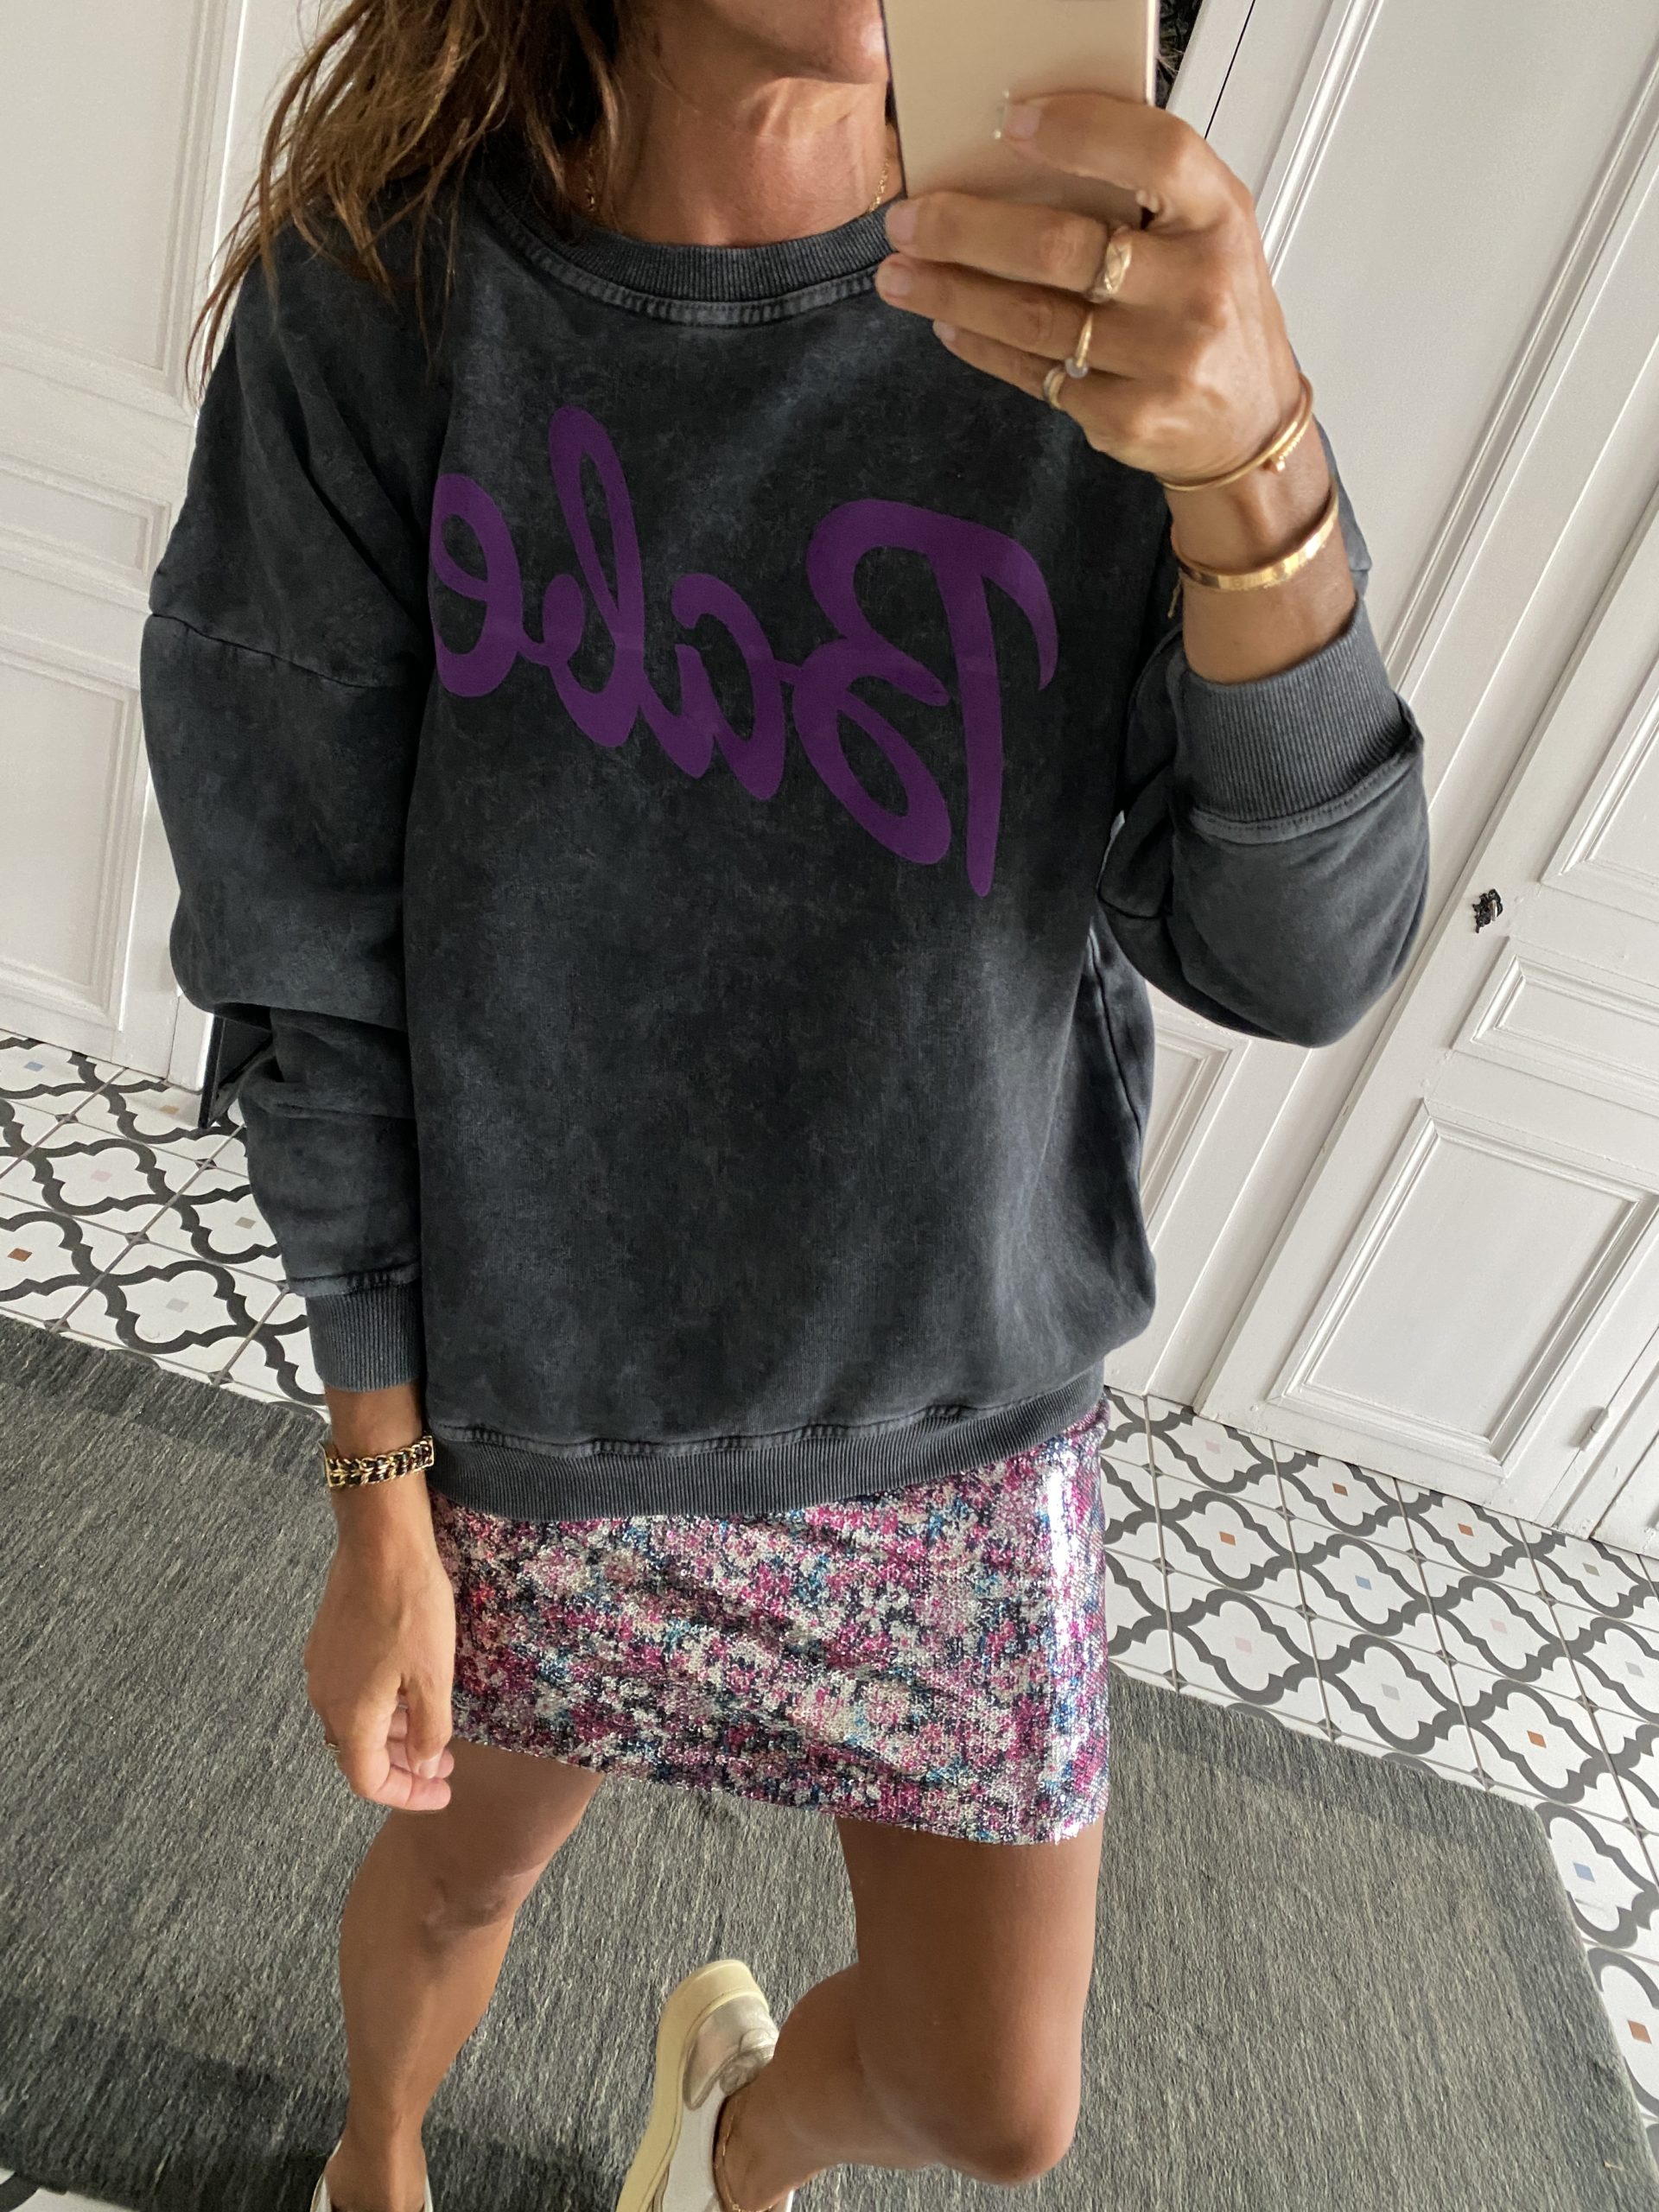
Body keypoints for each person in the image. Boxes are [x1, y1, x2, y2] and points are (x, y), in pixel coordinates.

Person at [139, 1, 1430, 2206]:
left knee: (997, 2102)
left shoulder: (1096, 302)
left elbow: (1299, 958)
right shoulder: (387, 297)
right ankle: (373, 2159)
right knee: (454, 1884)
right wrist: (377, 1484)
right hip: (546, 1407)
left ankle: (727, 2137)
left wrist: (1257, 475)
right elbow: (303, 940)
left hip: (954, 1408)